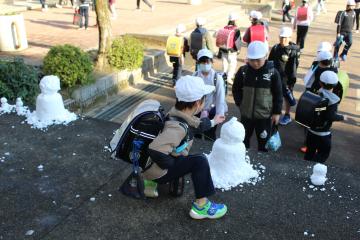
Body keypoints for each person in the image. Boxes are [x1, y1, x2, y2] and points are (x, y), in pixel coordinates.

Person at [142, 75, 227, 220]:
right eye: (204, 99)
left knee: (182, 157)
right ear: (197, 103)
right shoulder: (178, 127)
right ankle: (202, 206)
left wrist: (213, 122)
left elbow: (194, 125)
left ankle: (149, 184)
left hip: (148, 166)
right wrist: (172, 165)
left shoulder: (175, 113)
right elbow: (156, 149)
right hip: (158, 171)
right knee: (199, 161)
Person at [232, 41, 283, 152]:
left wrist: (276, 112)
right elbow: (236, 89)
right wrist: (240, 103)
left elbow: (278, 94)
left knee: (264, 143)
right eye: (252, 60)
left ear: (265, 56)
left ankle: (262, 162)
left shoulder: (273, 73)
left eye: (258, 60)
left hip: (264, 117)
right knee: (243, 141)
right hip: (246, 116)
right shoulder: (243, 71)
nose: (255, 63)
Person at [304, 71, 345, 163]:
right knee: (323, 154)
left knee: (309, 152)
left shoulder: (315, 93)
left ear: (320, 83)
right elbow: (330, 116)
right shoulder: (333, 100)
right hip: (323, 135)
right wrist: (342, 117)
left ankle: (305, 167)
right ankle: (315, 170)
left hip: (311, 131)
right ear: (335, 85)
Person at [193, 49, 228, 140]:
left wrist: (219, 114)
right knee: (196, 133)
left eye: (207, 61)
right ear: (198, 62)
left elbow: (220, 97)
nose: (205, 64)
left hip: (212, 110)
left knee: (210, 134)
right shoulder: (195, 75)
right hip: (196, 110)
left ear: (212, 62)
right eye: (202, 61)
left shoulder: (217, 78)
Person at [268, 27, 300, 126]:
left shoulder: (293, 50)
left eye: (285, 38)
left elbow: (294, 67)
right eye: (281, 37)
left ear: (290, 38)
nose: (283, 40)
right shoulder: (275, 48)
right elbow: (270, 62)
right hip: (275, 77)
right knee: (274, 95)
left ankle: (287, 115)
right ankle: (274, 112)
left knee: (287, 97)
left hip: (287, 79)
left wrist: (291, 81)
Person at [218, 12, 242, 85]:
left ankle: (223, 76)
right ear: (235, 20)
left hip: (223, 50)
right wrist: (238, 50)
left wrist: (220, 50)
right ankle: (229, 77)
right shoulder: (236, 29)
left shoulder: (224, 28)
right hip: (232, 51)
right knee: (232, 64)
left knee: (224, 65)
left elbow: (220, 40)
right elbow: (237, 41)